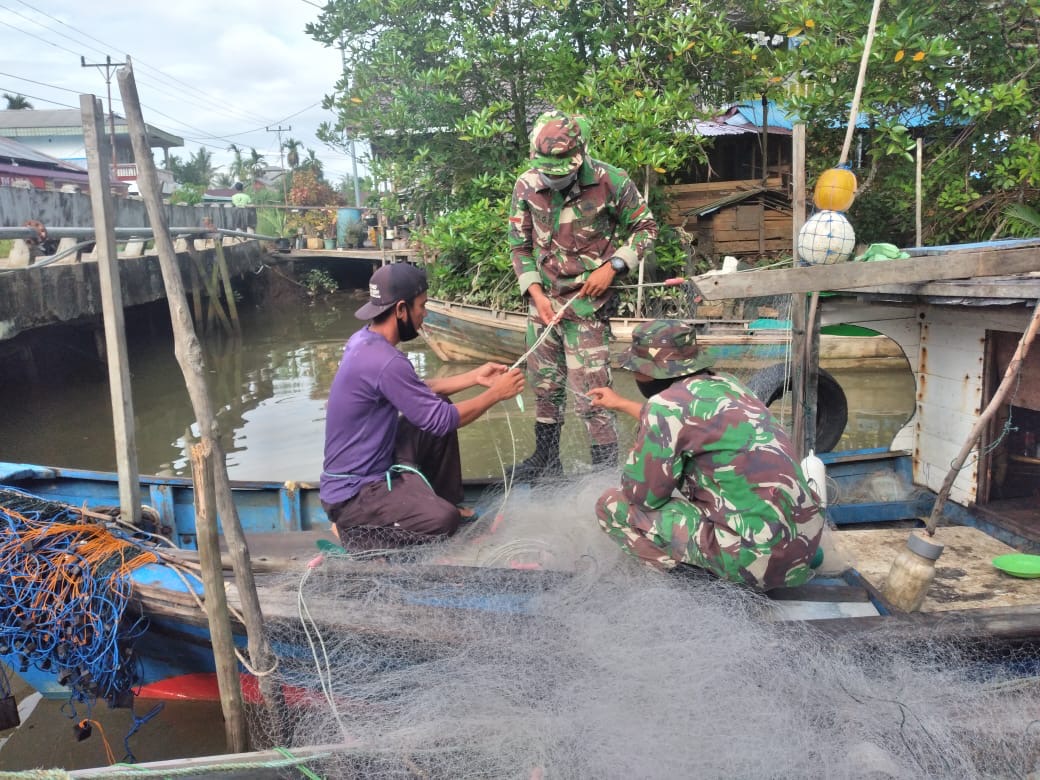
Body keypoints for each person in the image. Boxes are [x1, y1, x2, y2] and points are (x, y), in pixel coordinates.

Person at [588, 320, 824, 590]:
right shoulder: (730, 386)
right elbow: (688, 419)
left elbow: (643, 497)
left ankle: (693, 584)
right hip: (803, 546)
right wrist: (620, 403)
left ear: (649, 372)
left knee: (611, 506)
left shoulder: (663, 407)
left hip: (754, 561)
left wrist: (640, 460)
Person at [320, 263, 525, 549]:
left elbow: (413, 390)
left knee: (436, 403)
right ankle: (353, 530)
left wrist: (475, 377)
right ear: (401, 309)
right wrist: (495, 395)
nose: (424, 314)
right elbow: (442, 420)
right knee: (442, 521)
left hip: (373, 469)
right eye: (422, 305)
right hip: (354, 495)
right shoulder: (385, 360)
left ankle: (441, 499)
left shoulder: (364, 340)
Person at [507, 109, 658, 480]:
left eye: (563, 171)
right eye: (547, 170)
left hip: (588, 308)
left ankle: (604, 474)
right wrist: (537, 294)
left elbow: (646, 229)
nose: (554, 178)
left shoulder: (611, 181)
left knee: (593, 397)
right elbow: (519, 247)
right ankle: (545, 461)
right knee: (544, 387)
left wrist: (614, 266)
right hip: (543, 306)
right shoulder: (526, 185)